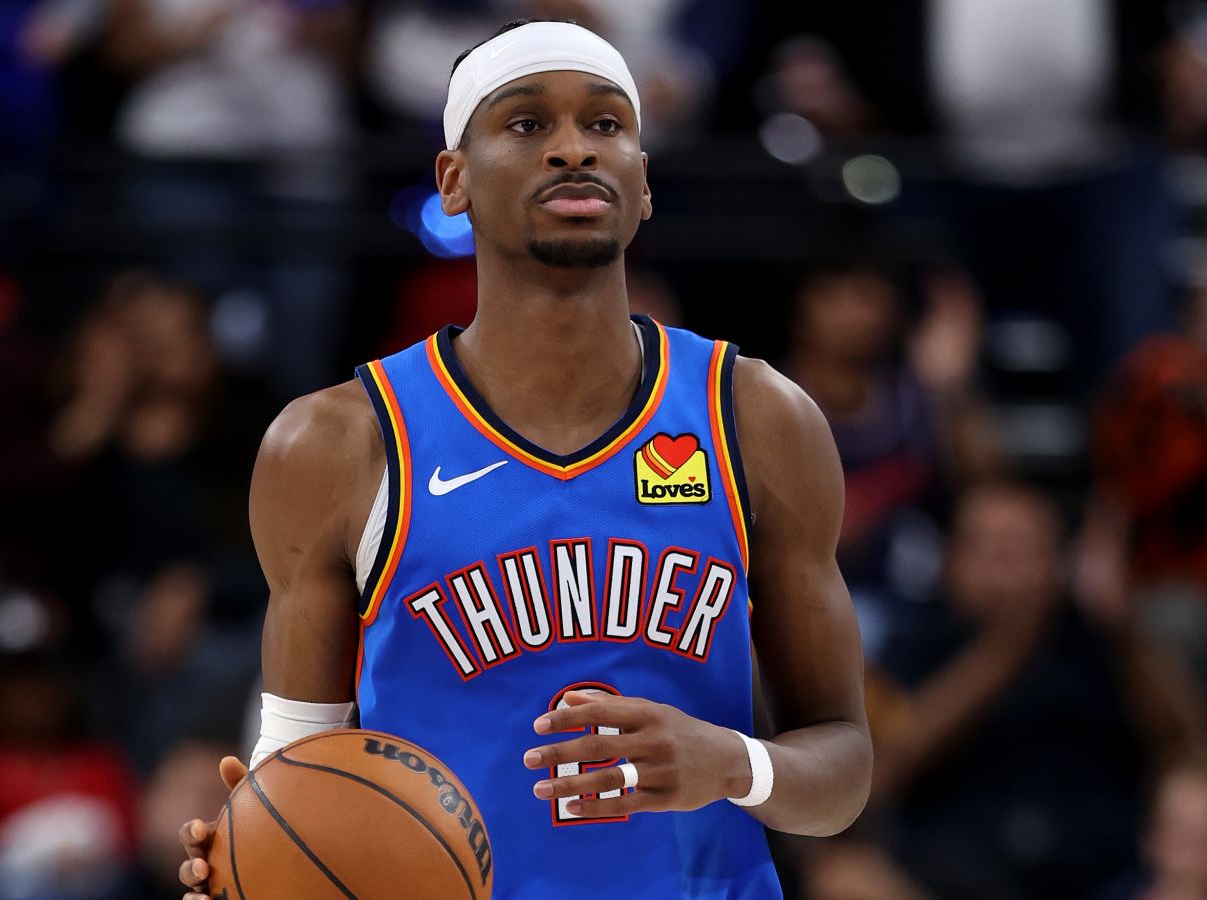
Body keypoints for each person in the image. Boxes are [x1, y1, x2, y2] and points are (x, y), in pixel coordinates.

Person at [179, 18, 871, 899]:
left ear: (644, 182)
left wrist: (736, 763)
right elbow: (299, 771)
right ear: (454, 181)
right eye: (528, 123)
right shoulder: (336, 443)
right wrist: (255, 860)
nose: (574, 149)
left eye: (606, 124)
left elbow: (844, 768)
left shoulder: (756, 417)